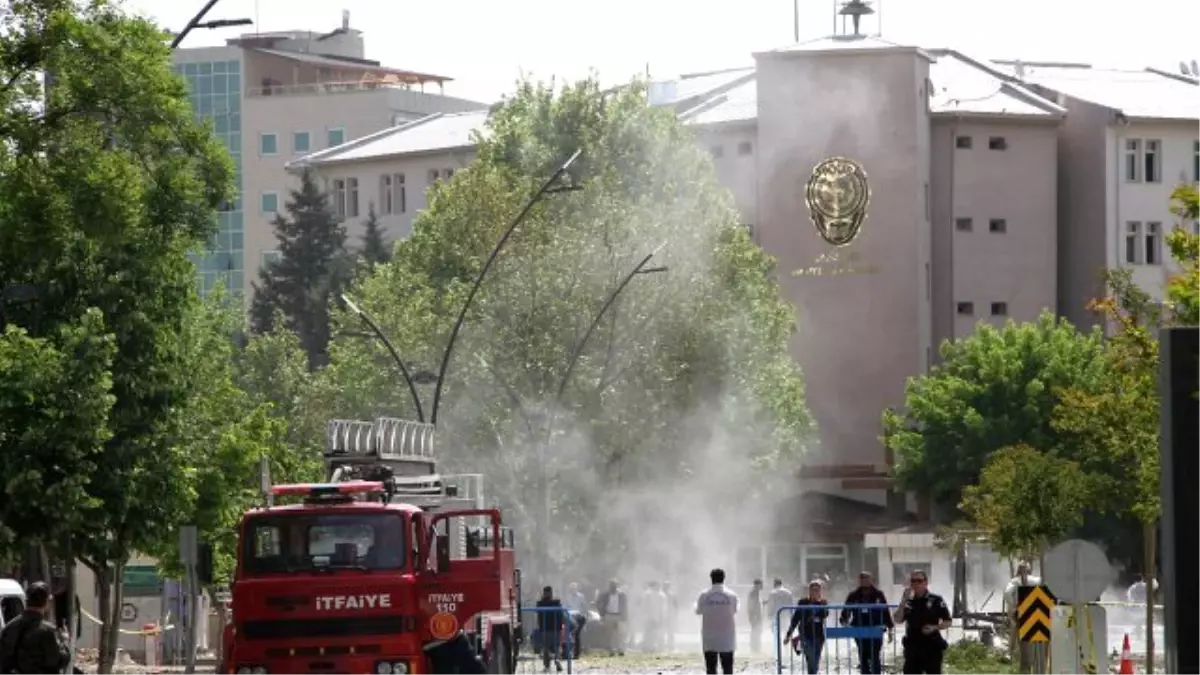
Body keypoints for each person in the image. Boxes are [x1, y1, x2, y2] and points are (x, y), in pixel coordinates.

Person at [0, 582, 69, 675]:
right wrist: (64, 642)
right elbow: (57, 661)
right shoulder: (47, 631)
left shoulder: (9, 627)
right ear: (48, 601)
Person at [893, 569, 952, 675]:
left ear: (925, 582)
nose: (915, 584)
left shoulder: (936, 600)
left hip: (931, 646)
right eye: (913, 581)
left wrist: (935, 627)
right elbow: (898, 619)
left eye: (919, 581)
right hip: (913, 647)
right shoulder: (908, 602)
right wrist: (903, 600)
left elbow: (948, 621)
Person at [841, 572, 893, 675]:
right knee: (863, 655)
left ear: (871, 579)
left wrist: (890, 629)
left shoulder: (878, 594)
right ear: (859, 580)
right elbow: (846, 612)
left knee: (874, 655)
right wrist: (844, 621)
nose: (865, 580)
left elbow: (885, 611)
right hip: (859, 630)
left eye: (867, 578)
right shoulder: (853, 595)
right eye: (862, 578)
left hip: (876, 629)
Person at [1003, 561, 1044, 675]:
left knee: (1019, 639)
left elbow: (1007, 594)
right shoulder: (1037, 580)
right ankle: (1035, 666)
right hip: (1036, 613)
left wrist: (1013, 606)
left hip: (1020, 613)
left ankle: (1011, 654)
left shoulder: (1014, 581)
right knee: (1036, 643)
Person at [696, 568, 738, 675]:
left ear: (711, 579)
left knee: (711, 667)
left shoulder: (704, 595)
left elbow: (698, 611)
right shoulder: (732, 595)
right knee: (727, 668)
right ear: (724, 578)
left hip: (709, 636)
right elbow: (735, 610)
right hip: (727, 636)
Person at [783, 580, 828, 675]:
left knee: (815, 659)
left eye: (818, 590)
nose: (816, 592)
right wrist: (788, 634)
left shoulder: (823, 602)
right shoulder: (803, 602)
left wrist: (818, 603)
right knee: (810, 658)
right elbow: (796, 618)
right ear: (809, 591)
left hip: (819, 635)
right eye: (814, 590)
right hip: (805, 635)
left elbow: (825, 614)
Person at [534, 586, 565, 672]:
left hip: (545, 628)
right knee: (557, 646)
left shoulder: (540, 603)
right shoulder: (556, 602)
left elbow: (537, 613)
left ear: (544, 593)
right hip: (555, 628)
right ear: (551, 593)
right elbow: (561, 614)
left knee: (546, 647)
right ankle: (557, 660)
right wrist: (562, 624)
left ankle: (547, 665)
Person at [596, 579, 627, 656]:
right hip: (609, 615)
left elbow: (625, 606)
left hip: (619, 615)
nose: (613, 587)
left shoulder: (622, 595)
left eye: (615, 585)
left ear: (617, 586)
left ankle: (620, 649)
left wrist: (625, 616)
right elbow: (598, 604)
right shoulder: (604, 595)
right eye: (612, 585)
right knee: (610, 635)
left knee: (620, 634)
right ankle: (611, 650)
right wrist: (602, 614)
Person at [639, 581, 668, 652]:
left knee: (656, 633)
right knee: (649, 633)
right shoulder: (648, 594)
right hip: (649, 617)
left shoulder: (661, 595)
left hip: (656, 617)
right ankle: (647, 647)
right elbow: (644, 606)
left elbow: (663, 608)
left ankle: (655, 647)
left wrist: (661, 617)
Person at [562, 583, 588, 658]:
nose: (573, 590)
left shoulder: (581, 596)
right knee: (567, 634)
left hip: (579, 617)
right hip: (570, 617)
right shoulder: (567, 597)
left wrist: (585, 615)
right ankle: (566, 653)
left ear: (577, 589)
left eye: (574, 588)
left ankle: (576, 654)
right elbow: (565, 607)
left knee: (577, 634)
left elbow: (584, 607)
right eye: (571, 589)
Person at [747, 579, 764, 653]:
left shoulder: (757, 593)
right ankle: (755, 649)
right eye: (761, 584)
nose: (762, 586)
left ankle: (756, 648)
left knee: (757, 632)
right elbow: (751, 605)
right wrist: (753, 616)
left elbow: (758, 604)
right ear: (757, 585)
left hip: (757, 615)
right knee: (755, 632)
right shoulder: (754, 593)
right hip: (755, 616)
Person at [662, 580, 678, 652]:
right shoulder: (661, 594)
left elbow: (676, 606)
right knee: (661, 631)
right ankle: (662, 645)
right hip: (663, 615)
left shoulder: (672, 595)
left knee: (670, 632)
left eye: (667, 586)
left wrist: (675, 614)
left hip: (670, 615)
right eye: (665, 586)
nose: (666, 587)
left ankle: (671, 646)